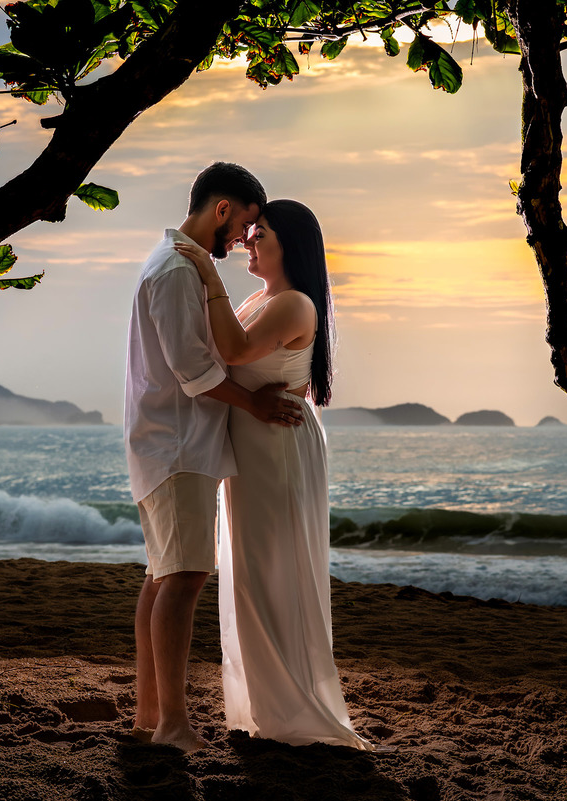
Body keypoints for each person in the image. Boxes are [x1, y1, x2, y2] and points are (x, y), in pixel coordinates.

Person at [173, 199, 372, 750]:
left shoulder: (294, 304)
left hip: (277, 445)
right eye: (250, 232)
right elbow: (220, 351)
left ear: (291, 247)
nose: (248, 242)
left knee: (272, 571)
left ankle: (292, 710)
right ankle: (267, 708)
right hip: (255, 443)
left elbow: (233, 348)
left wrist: (206, 272)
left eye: (260, 234)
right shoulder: (263, 298)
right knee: (252, 572)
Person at [124, 163, 303, 753]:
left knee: (163, 576)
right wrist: (253, 402)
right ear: (223, 209)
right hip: (179, 443)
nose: (244, 239)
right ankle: (172, 723)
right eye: (245, 224)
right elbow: (195, 372)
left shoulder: (176, 264)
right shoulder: (178, 270)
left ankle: (151, 717)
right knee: (182, 578)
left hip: (169, 441)